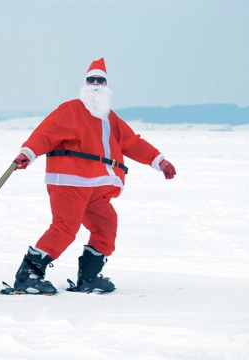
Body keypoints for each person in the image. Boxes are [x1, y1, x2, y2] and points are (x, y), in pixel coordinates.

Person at [10, 58, 176, 295]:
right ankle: (28, 275)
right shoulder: (71, 110)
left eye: (100, 80)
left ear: (107, 86)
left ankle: (89, 277)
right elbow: (45, 134)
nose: (96, 84)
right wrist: (27, 153)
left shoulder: (110, 119)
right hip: (70, 183)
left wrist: (159, 161)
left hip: (98, 187)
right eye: (91, 80)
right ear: (85, 84)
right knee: (65, 228)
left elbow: (132, 142)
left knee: (106, 225)